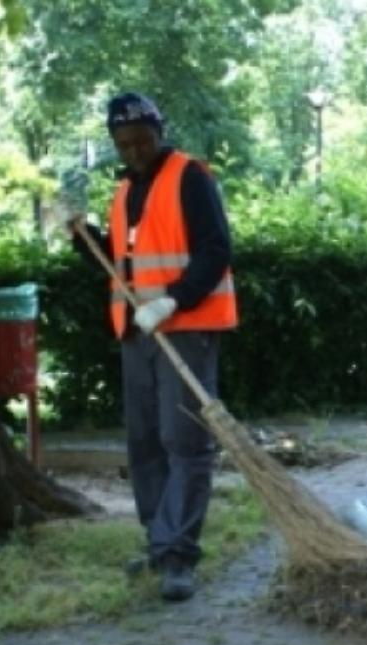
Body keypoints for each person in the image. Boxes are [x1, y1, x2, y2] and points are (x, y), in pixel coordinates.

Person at [67, 92, 238, 602]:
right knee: (144, 443)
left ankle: (179, 554)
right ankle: (159, 539)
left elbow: (216, 249)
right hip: (136, 331)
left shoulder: (190, 176)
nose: (135, 150)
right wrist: (87, 238)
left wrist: (173, 301)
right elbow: (128, 260)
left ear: (159, 131)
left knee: (183, 440)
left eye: (142, 139)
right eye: (124, 144)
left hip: (184, 326)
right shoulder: (124, 190)